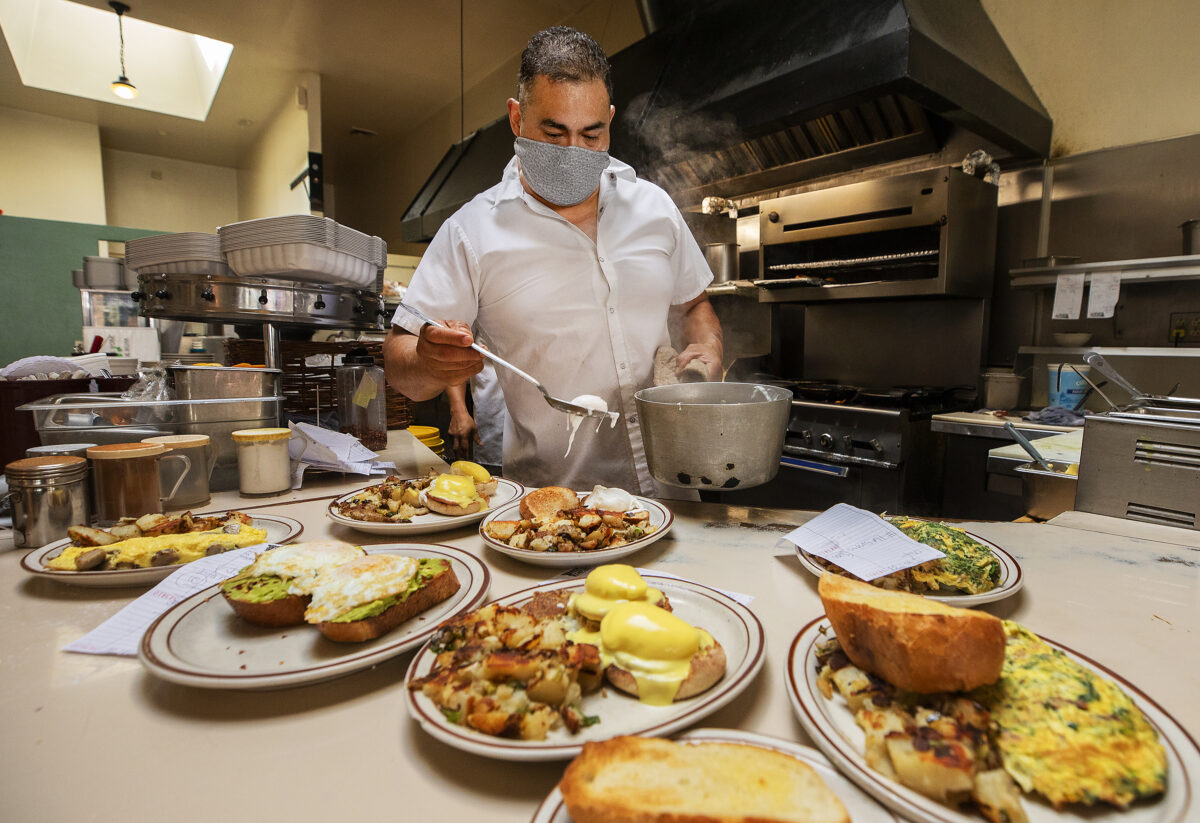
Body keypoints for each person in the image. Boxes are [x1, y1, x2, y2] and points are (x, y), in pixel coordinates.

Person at [385, 25, 722, 495]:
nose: (573, 152)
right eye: (554, 131)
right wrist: (427, 359)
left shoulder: (653, 208)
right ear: (517, 119)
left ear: (609, 119)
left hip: (676, 495)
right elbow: (401, 365)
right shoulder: (472, 231)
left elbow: (693, 307)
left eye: (591, 134)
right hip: (554, 515)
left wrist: (707, 347)